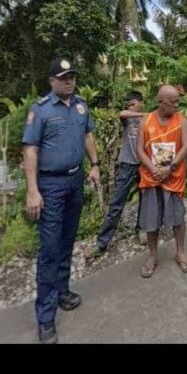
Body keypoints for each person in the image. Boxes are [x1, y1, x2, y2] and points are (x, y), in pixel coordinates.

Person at [22, 58, 101, 344]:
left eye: (72, 77)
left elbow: (88, 135)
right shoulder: (40, 110)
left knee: (67, 241)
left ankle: (63, 291)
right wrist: (33, 190)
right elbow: (30, 151)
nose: (69, 81)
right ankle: (45, 318)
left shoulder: (81, 105)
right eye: (63, 77)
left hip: (75, 180)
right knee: (50, 249)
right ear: (52, 81)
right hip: (51, 185)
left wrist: (95, 165)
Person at [136, 85, 187, 279]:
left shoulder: (181, 120)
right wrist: (154, 169)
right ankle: (153, 256)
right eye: (173, 102)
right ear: (161, 102)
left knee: (178, 217)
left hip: (173, 176)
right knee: (151, 219)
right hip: (151, 177)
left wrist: (170, 167)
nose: (177, 106)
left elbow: (186, 146)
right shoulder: (146, 121)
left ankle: (181, 252)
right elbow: (139, 150)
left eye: (178, 101)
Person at [85, 91, 145, 259]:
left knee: (145, 199)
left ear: (141, 102)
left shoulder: (150, 120)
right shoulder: (129, 118)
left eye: (133, 103)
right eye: (129, 104)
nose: (130, 107)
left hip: (144, 165)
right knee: (116, 203)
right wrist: (143, 113)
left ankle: (141, 229)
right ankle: (102, 243)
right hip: (127, 165)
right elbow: (121, 113)